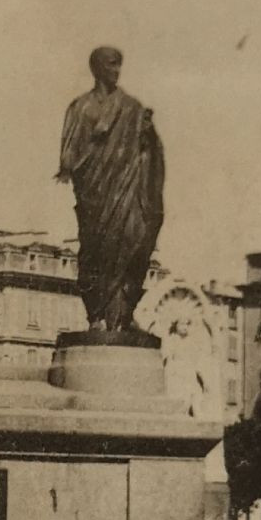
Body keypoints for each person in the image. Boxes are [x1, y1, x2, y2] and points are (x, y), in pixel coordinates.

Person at [56, 47, 166, 333]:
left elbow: (150, 151)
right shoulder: (80, 107)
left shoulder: (131, 106)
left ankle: (125, 314)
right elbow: (69, 154)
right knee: (95, 251)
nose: (116, 70)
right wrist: (85, 154)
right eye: (111, 65)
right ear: (96, 68)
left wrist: (147, 135)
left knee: (134, 245)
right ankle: (97, 315)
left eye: (119, 65)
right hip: (95, 195)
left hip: (128, 189)